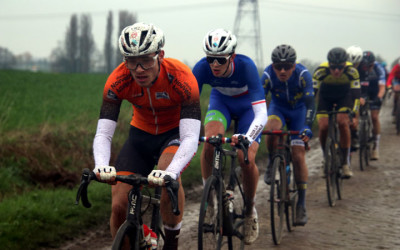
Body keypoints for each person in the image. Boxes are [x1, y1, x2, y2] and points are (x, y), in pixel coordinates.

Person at [92, 22, 201, 250]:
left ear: (160, 55)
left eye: (146, 60)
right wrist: (101, 165)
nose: (139, 69)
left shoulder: (182, 78)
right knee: (119, 205)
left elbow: (191, 136)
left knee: (167, 179)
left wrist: (171, 173)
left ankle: (171, 241)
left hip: (172, 136)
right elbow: (103, 132)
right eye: (131, 61)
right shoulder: (117, 80)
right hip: (140, 137)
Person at [192, 28, 267, 245]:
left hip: (247, 110)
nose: (214, 65)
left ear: (232, 57)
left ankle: (250, 212)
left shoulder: (246, 66)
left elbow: (261, 113)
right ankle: (211, 201)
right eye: (210, 59)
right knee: (209, 144)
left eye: (220, 60)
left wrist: (248, 137)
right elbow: (187, 105)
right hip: (221, 103)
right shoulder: (201, 68)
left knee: (247, 159)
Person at [261, 44, 315, 226]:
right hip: (278, 109)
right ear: (273, 66)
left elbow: (310, 103)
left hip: (299, 112)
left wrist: (307, 126)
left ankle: (301, 204)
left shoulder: (303, 74)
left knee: (299, 156)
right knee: (272, 127)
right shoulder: (268, 75)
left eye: (287, 66)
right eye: (278, 67)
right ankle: (271, 161)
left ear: (294, 65)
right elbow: (259, 102)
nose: (282, 71)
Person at [313, 47, 361, 178]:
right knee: (323, 127)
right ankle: (325, 158)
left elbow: (356, 97)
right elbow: (311, 95)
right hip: (325, 97)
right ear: (328, 64)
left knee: (342, 122)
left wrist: (355, 116)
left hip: (343, 97)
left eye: (340, 68)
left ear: (345, 64)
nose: (336, 71)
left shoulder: (352, 72)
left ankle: (345, 162)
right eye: (333, 67)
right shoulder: (320, 71)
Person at [356, 51, 386, 160]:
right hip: (363, 90)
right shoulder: (360, 67)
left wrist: (379, 97)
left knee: (374, 117)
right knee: (356, 111)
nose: (369, 67)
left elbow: (382, 86)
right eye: (367, 65)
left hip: (375, 91)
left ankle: (376, 147)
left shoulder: (378, 68)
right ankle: (358, 132)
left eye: (371, 65)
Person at [346, 45, 363, 150]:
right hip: (346, 92)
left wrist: (362, 97)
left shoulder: (363, 69)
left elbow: (367, 84)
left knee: (356, 106)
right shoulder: (342, 66)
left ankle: (355, 132)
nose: (353, 66)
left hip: (358, 91)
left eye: (356, 64)